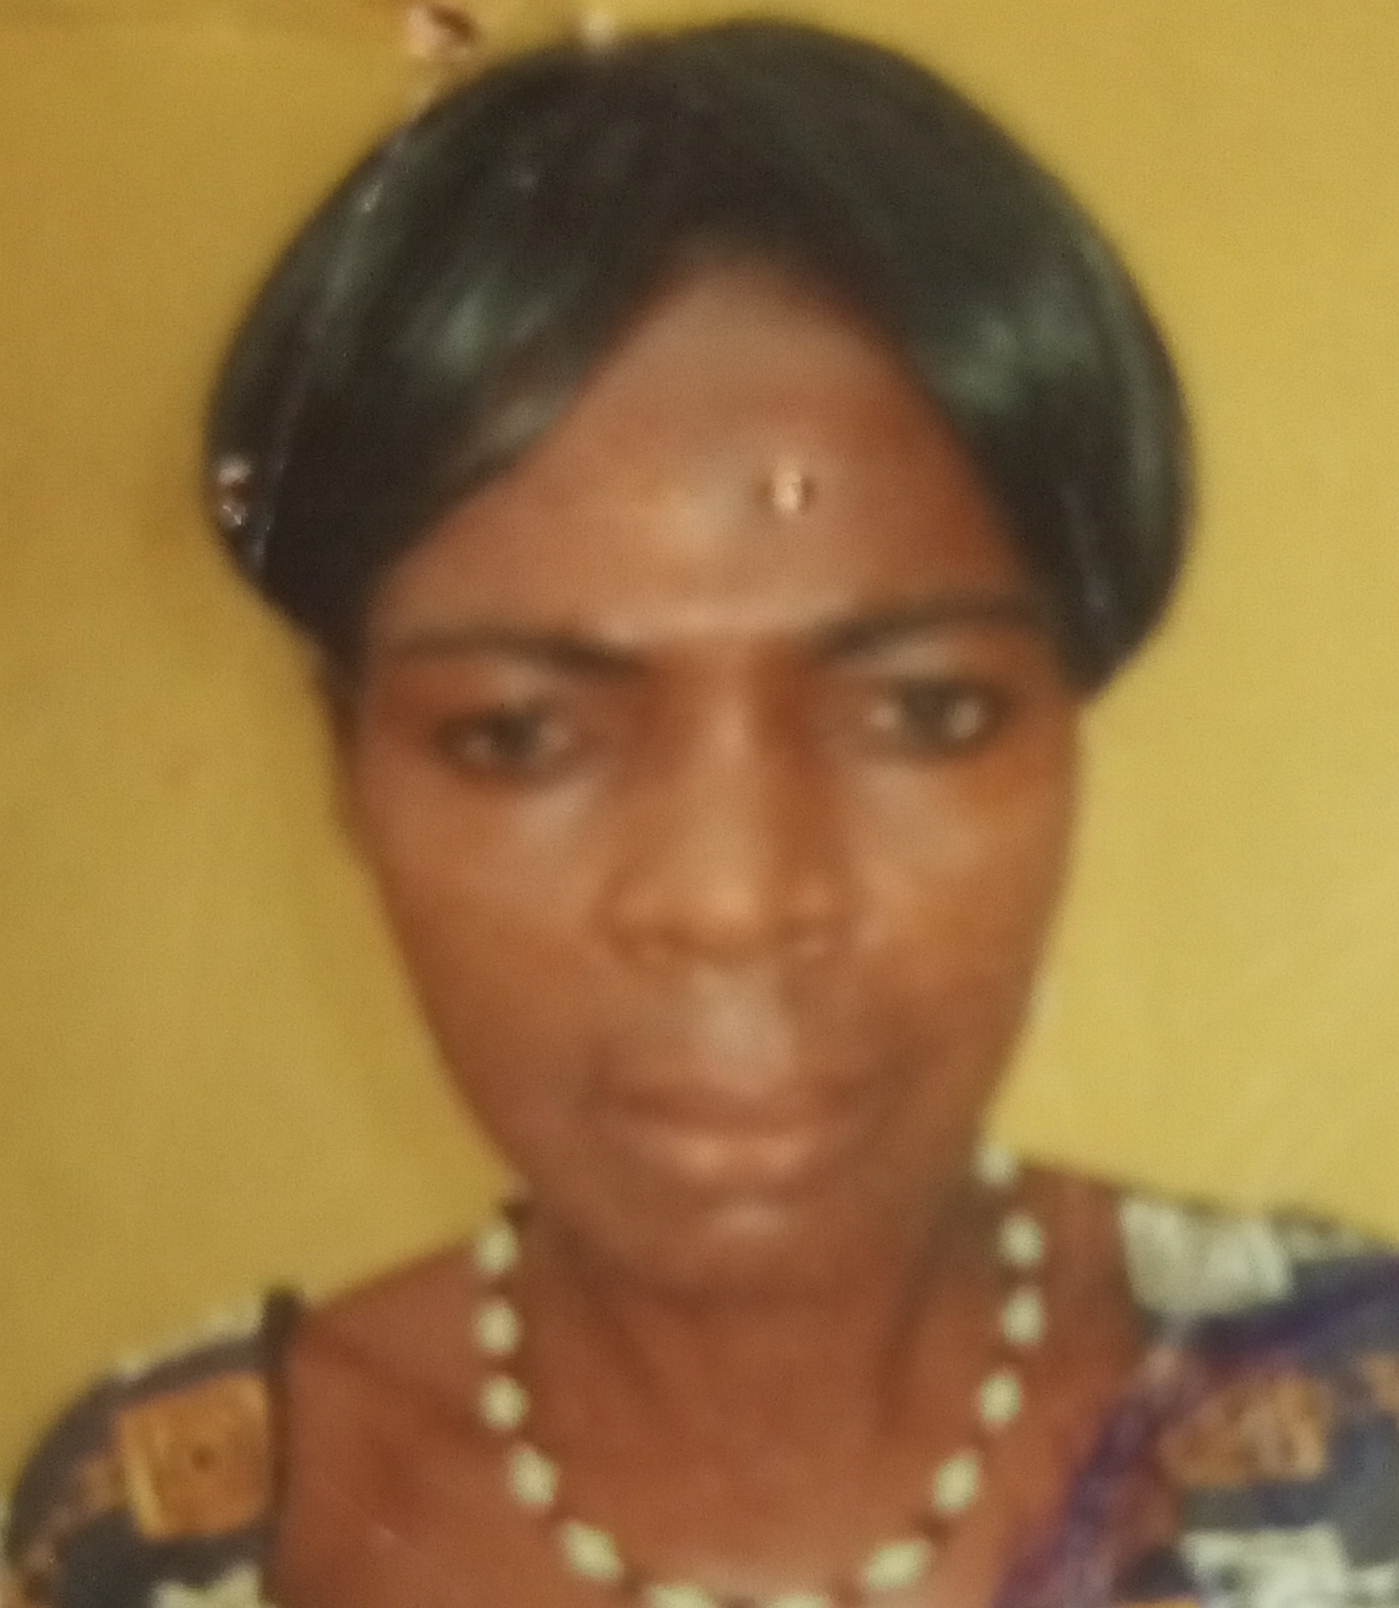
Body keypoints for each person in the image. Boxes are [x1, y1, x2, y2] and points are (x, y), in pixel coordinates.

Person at [6, 17, 1399, 1608]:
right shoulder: (156, 1532)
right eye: (520, 734)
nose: (733, 900)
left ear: (1064, 739)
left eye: (924, 712)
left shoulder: (1367, 1436)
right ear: (350, 768)